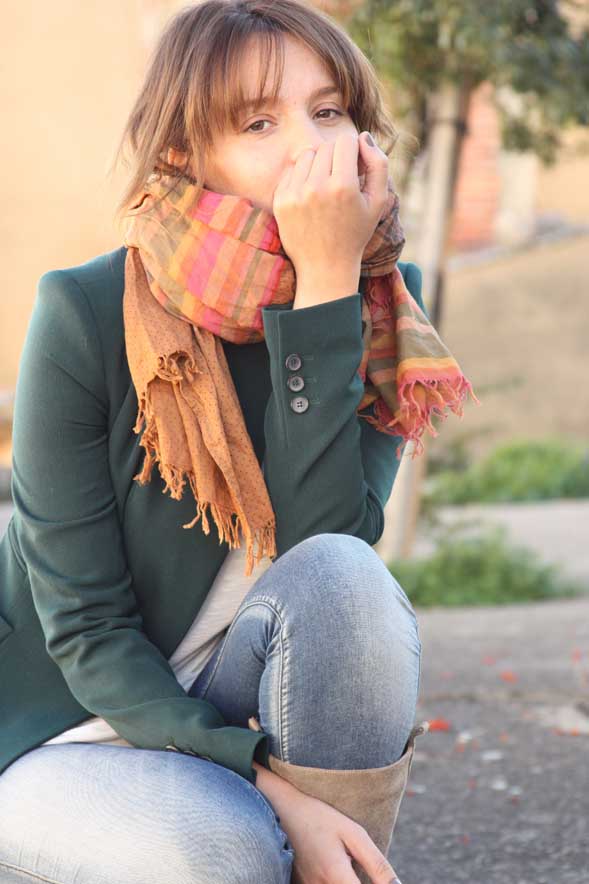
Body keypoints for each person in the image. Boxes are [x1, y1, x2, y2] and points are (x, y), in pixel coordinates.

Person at [0, 1, 478, 882]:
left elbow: (323, 550)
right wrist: (278, 794)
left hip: (233, 684)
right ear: (184, 155)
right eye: (259, 122)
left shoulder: (377, 304)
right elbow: (88, 631)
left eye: (327, 111)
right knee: (228, 848)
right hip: (64, 728)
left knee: (347, 579)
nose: (309, 146)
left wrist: (326, 280)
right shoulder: (86, 311)